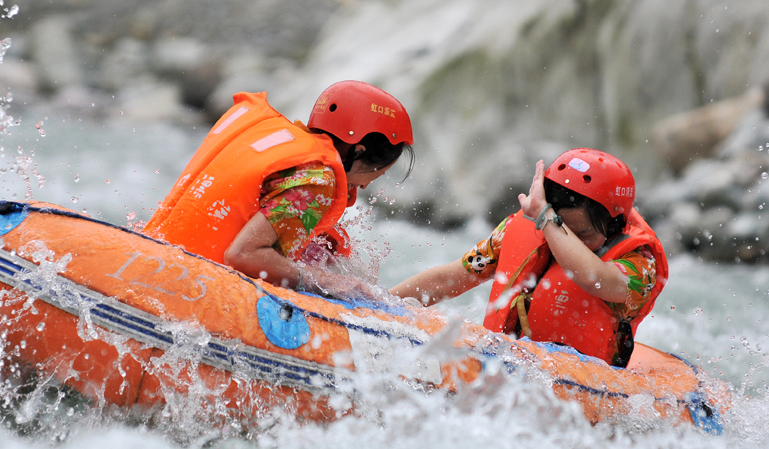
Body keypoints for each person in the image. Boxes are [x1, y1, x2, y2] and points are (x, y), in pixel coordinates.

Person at [391, 148, 668, 367]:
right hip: (506, 363)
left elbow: (594, 278)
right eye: (558, 228)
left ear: (615, 225)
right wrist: (382, 302)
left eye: (579, 234)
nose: (562, 240)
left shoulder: (641, 262)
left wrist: (549, 221)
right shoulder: (524, 226)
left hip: (581, 381)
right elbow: (448, 279)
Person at [143, 80, 414, 299]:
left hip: (152, 263)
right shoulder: (317, 180)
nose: (366, 185)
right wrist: (324, 281)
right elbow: (243, 255)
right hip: (186, 291)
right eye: (378, 173)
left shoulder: (274, 140)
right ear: (358, 151)